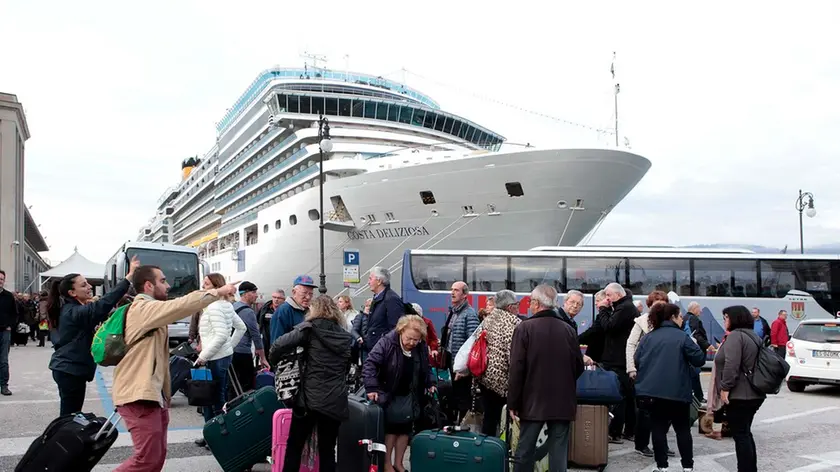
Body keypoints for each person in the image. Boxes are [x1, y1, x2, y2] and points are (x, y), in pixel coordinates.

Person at [111, 265, 238, 472]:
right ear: (149, 285)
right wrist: (217, 292)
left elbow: (159, 358)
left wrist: (166, 393)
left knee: (156, 458)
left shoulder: (151, 311)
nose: (168, 285)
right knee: (146, 460)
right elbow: (181, 305)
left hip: (153, 396)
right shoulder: (143, 308)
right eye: (163, 281)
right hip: (138, 395)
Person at [270, 295, 352, 472]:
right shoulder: (344, 336)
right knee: (328, 450)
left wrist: (278, 362)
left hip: (309, 400)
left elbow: (278, 345)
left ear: (313, 310)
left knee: (295, 446)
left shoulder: (308, 329)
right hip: (335, 400)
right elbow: (346, 367)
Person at [47, 258, 139, 413]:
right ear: (72, 292)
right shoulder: (73, 311)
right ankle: (62, 437)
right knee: (69, 417)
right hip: (69, 371)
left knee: (71, 414)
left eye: (87, 283)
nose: (89, 287)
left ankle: (65, 435)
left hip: (70, 370)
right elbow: (101, 306)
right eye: (83, 285)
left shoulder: (74, 309)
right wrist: (128, 279)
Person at [508, 284, 583, 472]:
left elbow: (517, 369)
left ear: (535, 303)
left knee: (524, 450)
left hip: (532, 401)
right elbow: (579, 367)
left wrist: (513, 403)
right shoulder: (568, 330)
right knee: (559, 453)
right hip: (562, 401)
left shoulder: (524, 328)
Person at [634, 302, 706, 472]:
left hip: (652, 392)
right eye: (680, 316)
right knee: (682, 430)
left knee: (658, 429)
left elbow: (637, 360)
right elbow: (699, 359)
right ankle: (687, 467)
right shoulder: (682, 337)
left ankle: (661, 467)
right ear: (672, 317)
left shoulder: (649, 337)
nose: (682, 319)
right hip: (678, 392)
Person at [364, 314, 435, 472]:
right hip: (390, 392)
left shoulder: (420, 346)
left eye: (416, 340)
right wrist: (372, 387)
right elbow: (370, 364)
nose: (412, 343)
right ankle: (387, 463)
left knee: (405, 430)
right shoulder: (387, 342)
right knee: (392, 429)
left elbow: (426, 366)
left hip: (411, 394)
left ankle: (399, 463)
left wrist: (430, 382)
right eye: (409, 338)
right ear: (401, 331)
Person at [717, 305, 766, 472]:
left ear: (734, 319)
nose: (724, 321)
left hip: (740, 394)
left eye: (726, 318)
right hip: (754, 392)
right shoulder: (753, 336)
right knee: (745, 433)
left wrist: (724, 389)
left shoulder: (735, 337)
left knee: (741, 435)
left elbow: (731, 365)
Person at [625, 290, 674, 458]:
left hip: (665, 371)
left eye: (663, 303)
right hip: (644, 370)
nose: (660, 306)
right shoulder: (641, 321)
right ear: (650, 305)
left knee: (666, 410)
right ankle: (642, 444)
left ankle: (661, 444)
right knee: (644, 411)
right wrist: (631, 368)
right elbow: (631, 344)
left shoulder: (671, 321)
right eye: (656, 303)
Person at [195, 274, 247, 430]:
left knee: (211, 398)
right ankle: (215, 433)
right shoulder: (226, 305)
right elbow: (241, 328)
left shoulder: (213, 306)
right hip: (221, 356)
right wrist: (228, 348)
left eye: (207, 284)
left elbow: (221, 335)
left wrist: (203, 356)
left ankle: (216, 433)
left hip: (214, 357)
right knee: (217, 396)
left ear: (216, 287)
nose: (203, 287)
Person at [475, 289, 520, 436]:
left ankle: (485, 449)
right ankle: (502, 451)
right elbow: (513, 355)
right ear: (509, 307)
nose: (518, 307)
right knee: (504, 420)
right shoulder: (513, 323)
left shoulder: (488, 319)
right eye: (516, 304)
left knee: (489, 417)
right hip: (502, 380)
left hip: (485, 376)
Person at [600, 282, 638, 443]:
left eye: (608, 295)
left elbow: (609, 326)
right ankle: (629, 431)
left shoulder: (625, 308)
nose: (607, 299)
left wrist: (603, 310)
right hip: (620, 359)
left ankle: (616, 431)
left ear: (617, 294)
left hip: (618, 360)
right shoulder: (625, 307)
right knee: (627, 397)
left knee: (620, 397)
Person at [441, 281, 479, 422]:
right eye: (452, 289)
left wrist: (464, 368)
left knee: (463, 397)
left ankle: (463, 426)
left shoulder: (469, 314)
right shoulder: (454, 311)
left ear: (464, 295)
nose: (452, 293)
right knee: (456, 395)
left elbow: (472, 343)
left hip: (462, 365)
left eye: (456, 290)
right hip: (453, 360)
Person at [231, 281, 268, 393]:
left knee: (233, 385)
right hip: (242, 353)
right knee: (246, 386)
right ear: (245, 293)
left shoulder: (233, 307)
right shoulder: (248, 312)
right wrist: (263, 358)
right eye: (253, 292)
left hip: (230, 351)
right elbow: (256, 336)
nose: (256, 295)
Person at [365, 267, 405, 349]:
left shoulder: (391, 299)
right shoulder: (378, 298)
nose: (368, 282)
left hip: (384, 351)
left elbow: (396, 328)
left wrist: (384, 345)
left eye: (370, 279)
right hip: (375, 349)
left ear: (379, 281)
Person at [270, 275, 317, 344]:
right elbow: (276, 343)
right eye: (304, 293)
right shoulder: (283, 311)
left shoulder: (310, 311)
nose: (308, 297)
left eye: (311, 294)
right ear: (294, 292)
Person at [0, 270, 18, 396]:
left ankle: (4, 386)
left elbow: (15, 314)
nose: (0, 281)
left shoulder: (8, 296)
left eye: (1, 279)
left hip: (4, 331)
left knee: (3, 360)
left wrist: (10, 325)